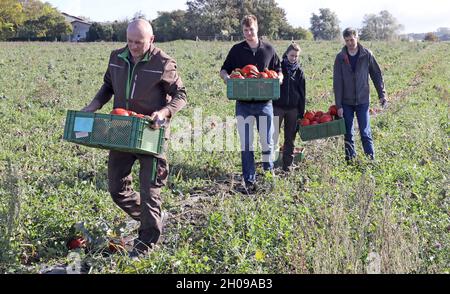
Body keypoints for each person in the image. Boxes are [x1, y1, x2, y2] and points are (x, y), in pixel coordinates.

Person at [81, 19, 187, 255]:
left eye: (139, 42)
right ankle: (153, 219)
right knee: (116, 188)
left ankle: (145, 244)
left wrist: (165, 111)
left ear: (151, 40)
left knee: (150, 190)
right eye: (129, 41)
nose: (133, 46)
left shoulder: (163, 63)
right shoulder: (116, 58)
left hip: (151, 132)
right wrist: (94, 105)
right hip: (122, 129)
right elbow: (107, 86)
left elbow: (181, 94)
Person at [220, 15, 283, 193]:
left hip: (265, 104)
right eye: (245, 30)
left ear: (257, 28)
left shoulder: (268, 49)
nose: (248, 33)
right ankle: (249, 181)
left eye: (251, 29)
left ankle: (269, 176)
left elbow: (278, 70)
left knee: (267, 142)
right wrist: (227, 79)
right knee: (246, 144)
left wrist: (279, 78)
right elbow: (224, 69)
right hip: (244, 104)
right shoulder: (236, 50)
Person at [333, 27, 387, 162]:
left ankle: (371, 160)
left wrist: (382, 94)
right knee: (348, 133)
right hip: (346, 102)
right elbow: (337, 82)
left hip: (363, 100)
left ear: (357, 38)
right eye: (347, 41)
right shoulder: (340, 58)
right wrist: (338, 105)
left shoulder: (366, 54)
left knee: (365, 132)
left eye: (352, 39)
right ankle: (350, 162)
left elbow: (376, 75)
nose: (350, 43)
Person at [273, 42, 306, 172]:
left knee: (290, 138)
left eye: (296, 56)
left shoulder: (299, 72)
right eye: (292, 55)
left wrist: (301, 114)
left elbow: (302, 94)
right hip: (278, 107)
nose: (293, 58)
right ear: (286, 54)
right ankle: (271, 165)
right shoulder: (279, 69)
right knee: (273, 136)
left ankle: (287, 166)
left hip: (293, 108)